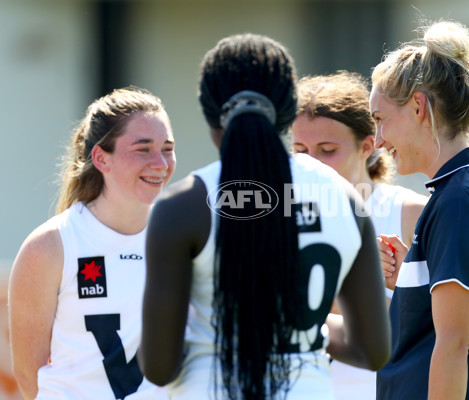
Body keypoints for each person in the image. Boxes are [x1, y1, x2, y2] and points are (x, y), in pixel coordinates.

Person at [138, 33, 391, 400]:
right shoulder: (346, 199)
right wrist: (299, 329)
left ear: (210, 114)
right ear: (289, 110)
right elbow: (372, 351)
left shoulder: (182, 206)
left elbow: (160, 368)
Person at [369, 20, 469, 400]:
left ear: (417, 107)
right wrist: (414, 280)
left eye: (379, 120)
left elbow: (455, 346)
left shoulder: (461, 200)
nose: (377, 140)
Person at [8, 86, 176, 400]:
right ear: (101, 157)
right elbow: (28, 377)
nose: (161, 163)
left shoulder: (182, 239)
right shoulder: (51, 246)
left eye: (167, 148)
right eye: (143, 149)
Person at [291, 71, 428, 398]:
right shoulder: (277, 219)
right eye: (299, 149)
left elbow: (446, 327)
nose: (312, 164)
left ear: (367, 146)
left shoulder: (410, 213)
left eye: (326, 150)